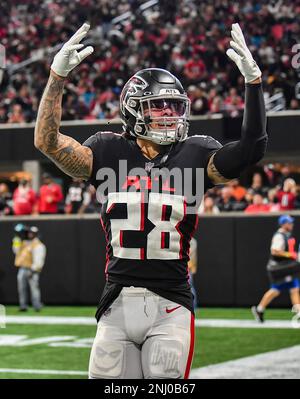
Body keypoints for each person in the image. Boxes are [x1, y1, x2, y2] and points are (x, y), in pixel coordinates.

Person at [34, 23, 267, 379]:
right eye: (158, 106)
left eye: (174, 106)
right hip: (116, 304)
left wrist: (254, 84)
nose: (170, 114)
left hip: (171, 303)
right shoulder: (107, 148)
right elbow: (47, 142)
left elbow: (250, 150)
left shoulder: (196, 152)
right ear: (133, 110)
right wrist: (56, 76)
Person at [252, 215, 300, 323]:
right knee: (277, 290)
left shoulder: (287, 235)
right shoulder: (279, 236)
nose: (291, 224)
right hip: (279, 268)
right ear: (283, 224)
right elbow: (274, 251)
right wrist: (291, 255)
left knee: (293, 288)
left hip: (285, 267)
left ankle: (259, 309)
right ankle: (259, 309)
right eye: (289, 223)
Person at [12, 225, 47, 311]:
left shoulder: (38, 245)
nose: (30, 234)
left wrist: (34, 269)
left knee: (34, 288)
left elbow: (39, 258)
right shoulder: (24, 243)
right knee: (21, 288)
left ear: (36, 234)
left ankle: (36, 305)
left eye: (33, 233)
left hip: (32, 269)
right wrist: (16, 239)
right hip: (22, 268)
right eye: (30, 232)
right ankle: (23, 305)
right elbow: (16, 251)